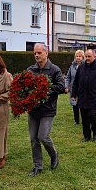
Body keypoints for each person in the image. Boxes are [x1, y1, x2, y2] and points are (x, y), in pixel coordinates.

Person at [27, 43, 65, 176]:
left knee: (42, 136)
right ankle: (38, 166)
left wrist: (45, 88)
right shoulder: (31, 70)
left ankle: (54, 155)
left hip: (48, 110)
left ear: (46, 53)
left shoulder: (54, 69)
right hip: (33, 109)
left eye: (39, 53)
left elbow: (61, 86)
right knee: (33, 138)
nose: (36, 55)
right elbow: (24, 86)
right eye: (35, 53)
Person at [71, 49, 96, 142]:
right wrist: (74, 94)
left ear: (94, 57)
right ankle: (86, 136)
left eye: (89, 56)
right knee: (84, 119)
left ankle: (95, 133)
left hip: (94, 97)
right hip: (82, 97)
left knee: (92, 116)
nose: (87, 58)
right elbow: (76, 82)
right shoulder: (81, 67)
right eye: (86, 56)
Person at [65, 49, 85, 125]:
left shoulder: (85, 66)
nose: (78, 57)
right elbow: (68, 77)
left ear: (83, 57)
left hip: (83, 88)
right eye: (77, 56)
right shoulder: (72, 66)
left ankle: (84, 119)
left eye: (80, 56)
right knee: (75, 105)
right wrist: (66, 86)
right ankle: (76, 120)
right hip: (74, 88)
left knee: (82, 105)